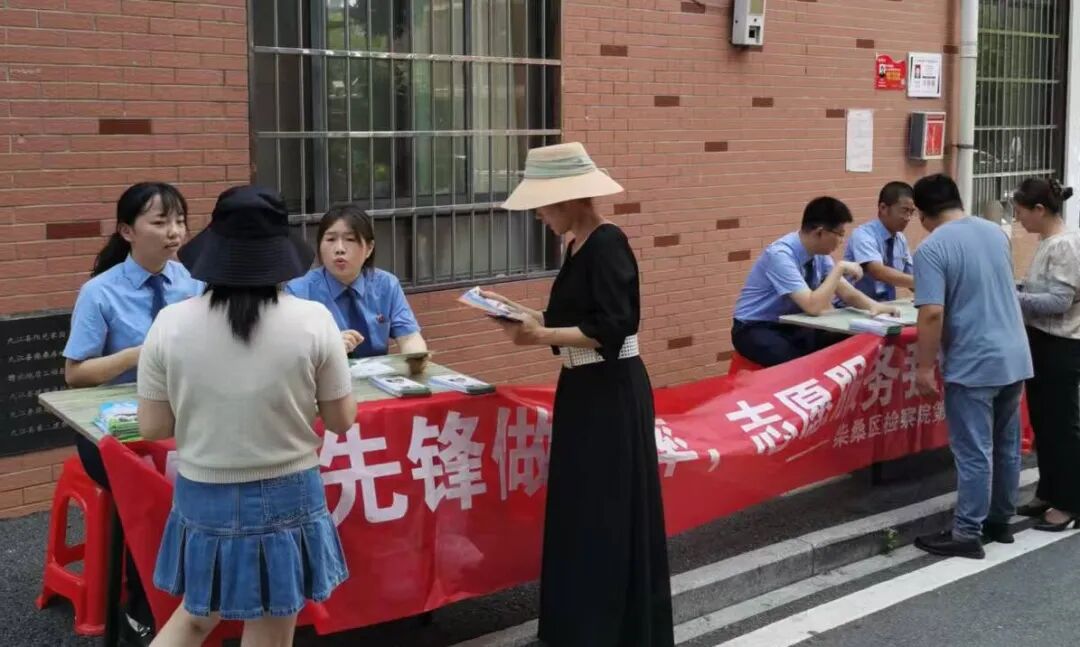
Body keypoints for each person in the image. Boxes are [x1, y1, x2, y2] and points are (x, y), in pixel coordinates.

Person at [136, 186, 356, 646]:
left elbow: (153, 427)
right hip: (289, 492)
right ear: (281, 253)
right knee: (272, 624)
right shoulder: (315, 320)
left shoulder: (169, 324)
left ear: (214, 248)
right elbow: (340, 420)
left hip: (202, 491)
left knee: (197, 616)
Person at [481, 142, 674, 646]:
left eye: (542, 207)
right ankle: (578, 628)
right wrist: (520, 315)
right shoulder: (576, 246)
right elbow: (573, 318)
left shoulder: (608, 243)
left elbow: (614, 325)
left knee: (607, 510)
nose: (540, 216)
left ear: (566, 199)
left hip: (611, 392)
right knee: (580, 509)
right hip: (582, 389)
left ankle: (610, 632)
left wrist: (539, 334)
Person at [62, 182, 203, 644]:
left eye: (179, 221)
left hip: (182, 419)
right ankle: (143, 610)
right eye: (160, 222)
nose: (174, 232)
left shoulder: (193, 283)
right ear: (127, 231)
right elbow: (76, 374)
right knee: (155, 493)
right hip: (114, 430)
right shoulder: (99, 292)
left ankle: (204, 601)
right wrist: (137, 354)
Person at [910, 174, 1033, 559]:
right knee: (1006, 445)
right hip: (1014, 354)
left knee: (974, 451)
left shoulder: (931, 248)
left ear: (922, 213)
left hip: (974, 360)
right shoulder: (995, 233)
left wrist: (924, 368)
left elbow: (931, 313)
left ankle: (966, 532)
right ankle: (1000, 520)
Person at [731, 197, 899, 367]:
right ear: (820, 232)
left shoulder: (820, 255)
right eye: (840, 235)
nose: (842, 241)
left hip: (793, 323)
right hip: (755, 327)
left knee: (850, 340)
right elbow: (812, 307)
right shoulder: (781, 255)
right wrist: (839, 268)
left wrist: (874, 306)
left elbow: (847, 293)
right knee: (798, 366)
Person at [1011, 178, 1080, 531]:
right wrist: (1020, 290)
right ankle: (1048, 491)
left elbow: (1059, 301)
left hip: (1061, 344)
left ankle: (1069, 503)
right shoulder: (1047, 242)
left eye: (1021, 212)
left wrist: (1011, 297)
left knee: (1061, 425)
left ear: (1039, 209)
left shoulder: (1064, 245)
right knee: (1043, 423)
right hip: (1041, 340)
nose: (1018, 219)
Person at [285, 204, 428, 371]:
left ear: (369, 248)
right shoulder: (299, 290)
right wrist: (328, 348)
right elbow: (289, 351)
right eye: (330, 240)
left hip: (376, 378)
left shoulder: (387, 285)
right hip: (321, 379)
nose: (339, 249)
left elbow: (409, 337)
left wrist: (416, 357)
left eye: (350, 239)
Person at [843, 181, 915, 301]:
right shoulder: (863, 234)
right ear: (883, 208)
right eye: (904, 210)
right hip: (854, 306)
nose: (908, 218)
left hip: (886, 305)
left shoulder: (900, 239)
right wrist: (919, 282)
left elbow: (910, 276)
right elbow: (878, 271)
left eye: (911, 212)